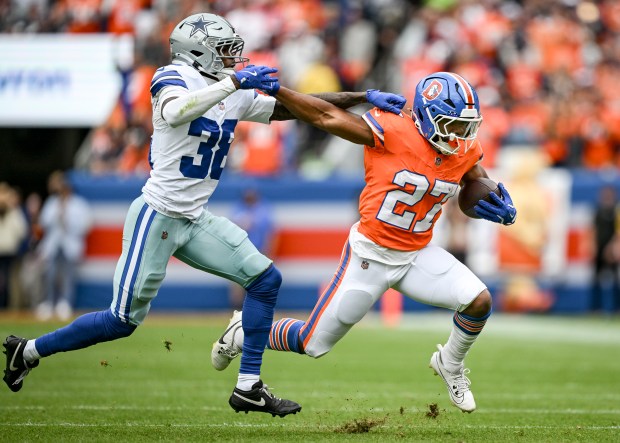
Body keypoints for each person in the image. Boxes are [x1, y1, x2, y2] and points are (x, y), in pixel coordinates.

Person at [2, 13, 406, 418]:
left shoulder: (230, 87)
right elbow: (176, 111)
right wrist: (231, 84)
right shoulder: (174, 77)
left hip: (193, 217)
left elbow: (295, 109)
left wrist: (363, 97)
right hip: (157, 215)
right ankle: (29, 350)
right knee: (121, 321)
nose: (234, 58)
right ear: (198, 52)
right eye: (225, 50)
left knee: (265, 279)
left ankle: (249, 386)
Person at [212, 71, 517, 413]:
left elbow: (476, 187)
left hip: (417, 254)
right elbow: (323, 115)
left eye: (466, 126)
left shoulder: (463, 148)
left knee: (478, 301)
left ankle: (450, 362)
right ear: (429, 118)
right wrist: (281, 91)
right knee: (312, 343)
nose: (462, 135)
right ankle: (243, 330)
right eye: (454, 125)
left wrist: (497, 208)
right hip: (369, 256)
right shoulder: (393, 129)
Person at [36, 171, 92, 321]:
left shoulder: (79, 204)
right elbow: (43, 222)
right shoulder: (52, 203)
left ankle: (65, 304)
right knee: (50, 275)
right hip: (53, 245)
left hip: (70, 245)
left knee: (68, 276)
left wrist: (67, 219)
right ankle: (48, 303)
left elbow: (86, 226)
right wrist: (58, 214)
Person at [229, 189, 276, 310]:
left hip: (258, 251)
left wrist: (269, 251)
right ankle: (237, 307)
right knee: (238, 281)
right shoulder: (238, 209)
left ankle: (257, 307)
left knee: (259, 281)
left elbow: (269, 233)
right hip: (240, 251)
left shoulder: (263, 211)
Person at [591, 185, 620, 312]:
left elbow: (617, 231)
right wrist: (593, 245)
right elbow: (593, 230)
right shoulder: (598, 210)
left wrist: (613, 246)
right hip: (600, 247)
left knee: (614, 278)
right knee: (596, 278)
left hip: (612, 248)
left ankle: (615, 307)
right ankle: (595, 307)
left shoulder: (615, 211)